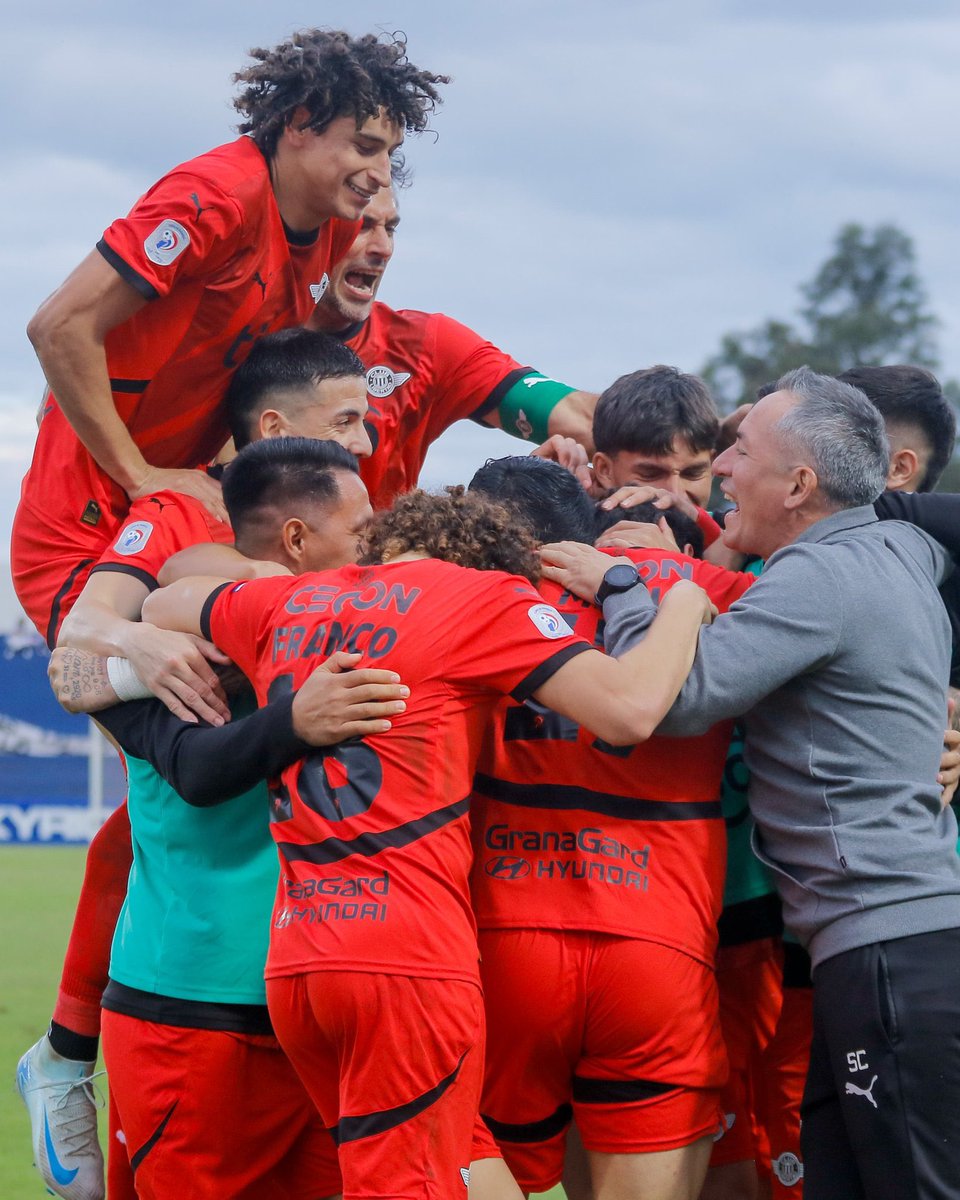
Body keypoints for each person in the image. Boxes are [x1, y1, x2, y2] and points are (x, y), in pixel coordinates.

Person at [140, 464, 714, 1199]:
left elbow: (167, 602)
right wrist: (685, 600)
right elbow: (630, 710)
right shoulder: (480, 597)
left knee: (443, 1173)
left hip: (299, 965)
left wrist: (143, 640)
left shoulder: (285, 598)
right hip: (405, 964)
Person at [544, 367, 960, 1199]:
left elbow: (676, 699)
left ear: (800, 484)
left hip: (882, 946)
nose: (723, 467)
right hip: (885, 944)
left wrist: (633, 586)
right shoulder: (899, 549)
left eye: (740, 451)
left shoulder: (822, 575)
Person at [14, 331, 375, 1200]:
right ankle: (64, 1054)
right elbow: (78, 652)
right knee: (145, 813)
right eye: (351, 420)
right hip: (194, 997)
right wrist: (143, 641)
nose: (367, 439)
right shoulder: (181, 515)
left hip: (324, 993)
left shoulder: (353, 529)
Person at [12, 28, 446, 652]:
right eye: (366, 146)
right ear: (299, 124)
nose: (381, 173)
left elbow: (261, 375)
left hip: (180, 517)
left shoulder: (326, 227)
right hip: (84, 522)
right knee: (179, 715)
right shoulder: (216, 195)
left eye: (390, 152)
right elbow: (57, 327)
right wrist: (139, 475)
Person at [468, 456, 754, 1200]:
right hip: (658, 943)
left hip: (500, 946)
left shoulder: (459, 598)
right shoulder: (698, 589)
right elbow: (858, 641)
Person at [308, 187, 599, 506]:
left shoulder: (425, 345)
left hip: (382, 554)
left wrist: (654, 471)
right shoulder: (247, 330)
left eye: (390, 229)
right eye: (362, 226)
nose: (384, 248)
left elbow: (585, 420)